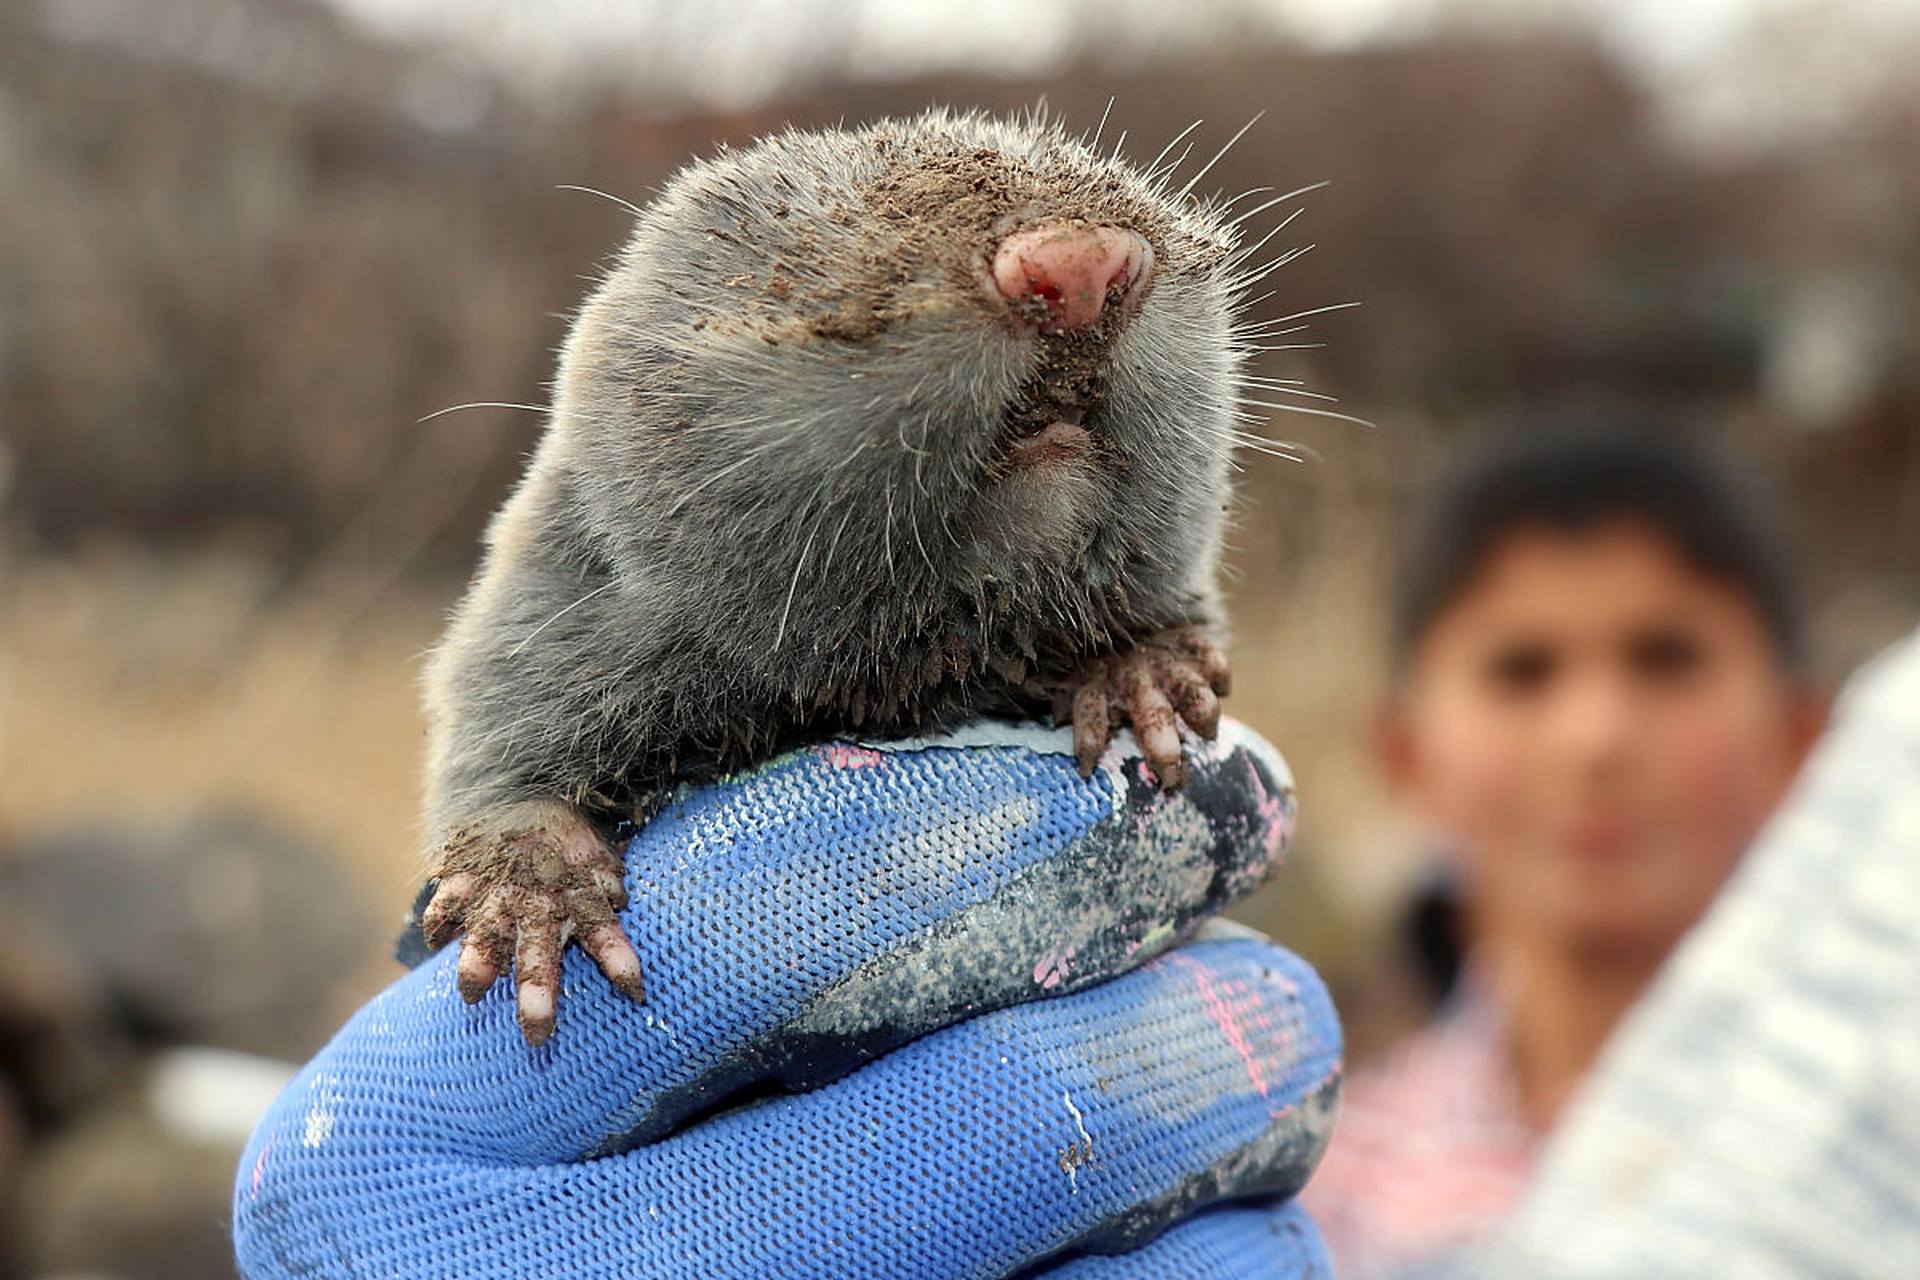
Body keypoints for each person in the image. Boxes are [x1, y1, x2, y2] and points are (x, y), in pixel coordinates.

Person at [1301, 425, 1828, 1277]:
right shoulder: (1325, 1198)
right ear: (1406, 755)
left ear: (1801, 739)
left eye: (1666, 660)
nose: (1596, 738)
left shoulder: (1875, 1138)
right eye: (1523, 670)